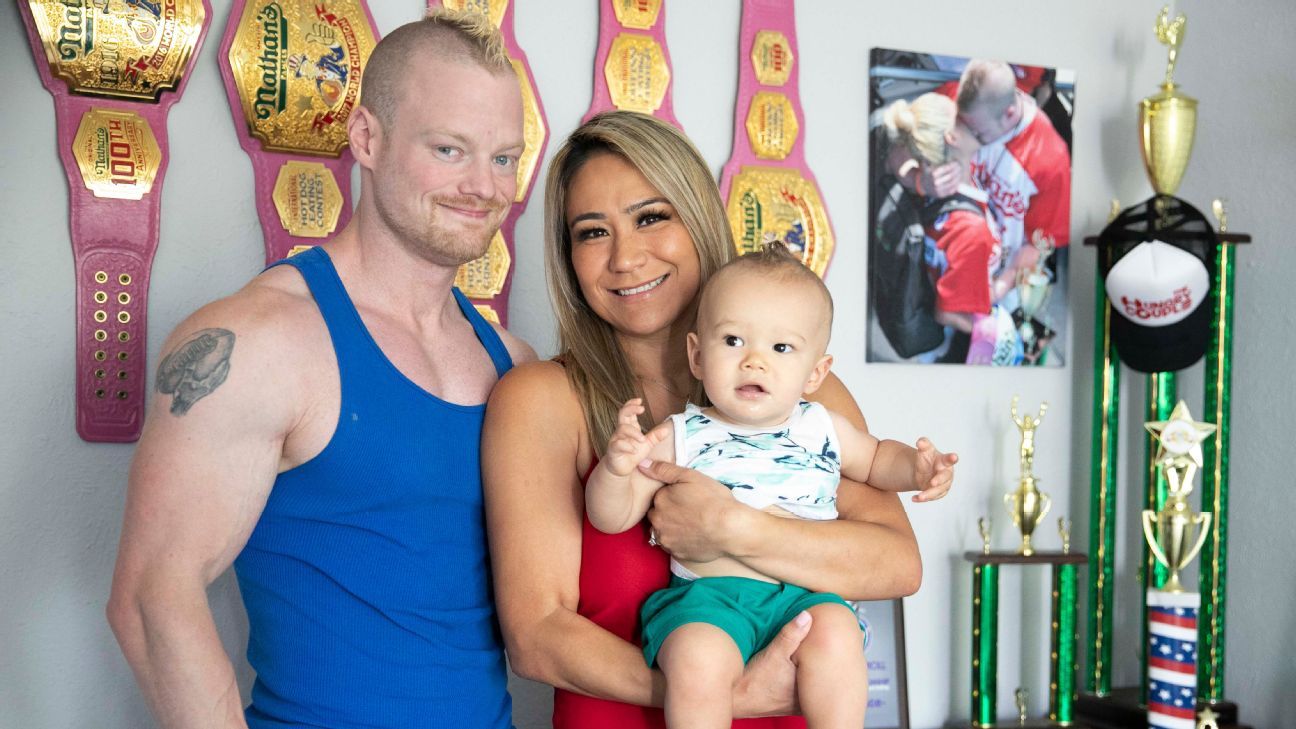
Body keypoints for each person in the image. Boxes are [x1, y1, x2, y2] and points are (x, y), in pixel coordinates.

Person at [107, 10, 534, 729]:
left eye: (502, 158)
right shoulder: (259, 339)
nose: (484, 187)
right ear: (366, 137)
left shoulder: (511, 365)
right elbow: (150, 600)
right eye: (450, 149)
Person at [482, 110, 925, 729]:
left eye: (651, 217)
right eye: (591, 232)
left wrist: (733, 529)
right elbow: (537, 638)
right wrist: (734, 693)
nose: (626, 257)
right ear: (569, 258)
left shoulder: (795, 392)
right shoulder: (540, 399)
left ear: (698, 217)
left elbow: (897, 564)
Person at [585, 242, 958, 729]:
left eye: (781, 348)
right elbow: (610, 516)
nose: (754, 362)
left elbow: (877, 459)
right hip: (709, 599)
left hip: (804, 594)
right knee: (696, 660)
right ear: (697, 355)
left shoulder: (821, 426)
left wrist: (918, 470)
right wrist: (616, 470)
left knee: (839, 634)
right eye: (734, 341)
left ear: (815, 373)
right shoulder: (683, 433)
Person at [883, 92, 1035, 365]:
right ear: (952, 137)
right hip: (957, 350)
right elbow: (950, 313)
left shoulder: (932, 186)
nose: (969, 116)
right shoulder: (971, 232)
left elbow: (895, 156)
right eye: (961, 116)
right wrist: (1012, 274)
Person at [956, 59, 1071, 292]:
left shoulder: (1051, 158)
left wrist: (1001, 285)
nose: (973, 136)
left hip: (998, 279)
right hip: (954, 260)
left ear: (1009, 114)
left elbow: (1041, 242)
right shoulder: (962, 106)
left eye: (980, 132)